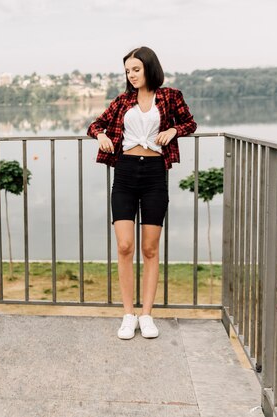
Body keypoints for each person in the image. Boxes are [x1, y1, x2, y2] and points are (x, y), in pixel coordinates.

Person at [87, 47, 197, 340]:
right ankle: (128, 314)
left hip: (153, 176)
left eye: (135, 69)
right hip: (124, 174)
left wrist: (174, 130)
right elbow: (95, 125)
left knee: (149, 249)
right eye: (127, 71)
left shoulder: (170, 96)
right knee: (124, 246)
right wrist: (100, 135)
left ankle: (146, 315)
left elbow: (190, 122)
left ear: (149, 68)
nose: (131, 75)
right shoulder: (122, 101)